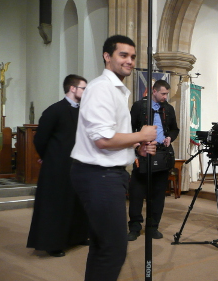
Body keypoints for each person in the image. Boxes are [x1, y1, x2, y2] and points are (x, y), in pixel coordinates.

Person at [70, 35, 157, 281]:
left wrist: (136, 147)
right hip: (99, 176)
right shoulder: (101, 88)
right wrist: (141, 134)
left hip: (107, 174)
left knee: (101, 245)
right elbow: (103, 140)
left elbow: (111, 137)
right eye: (123, 55)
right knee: (113, 248)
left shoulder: (117, 90)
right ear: (107, 57)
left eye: (132, 56)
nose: (129, 61)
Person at [27, 74, 89, 257]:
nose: (86, 92)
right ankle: (53, 243)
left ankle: (78, 236)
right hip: (57, 167)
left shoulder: (83, 111)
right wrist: (48, 157)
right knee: (57, 205)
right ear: (72, 88)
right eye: (83, 88)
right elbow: (40, 139)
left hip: (79, 164)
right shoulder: (54, 110)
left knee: (78, 202)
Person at [127, 79, 179, 241]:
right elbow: (130, 128)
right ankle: (135, 227)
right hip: (143, 154)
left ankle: (153, 227)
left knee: (158, 195)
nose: (165, 96)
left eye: (167, 94)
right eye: (163, 93)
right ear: (154, 92)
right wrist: (137, 145)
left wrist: (170, 137)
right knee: (136, 194)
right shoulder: (139, 106)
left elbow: (174, 129)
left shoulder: (168, 109)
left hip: (162, 154)